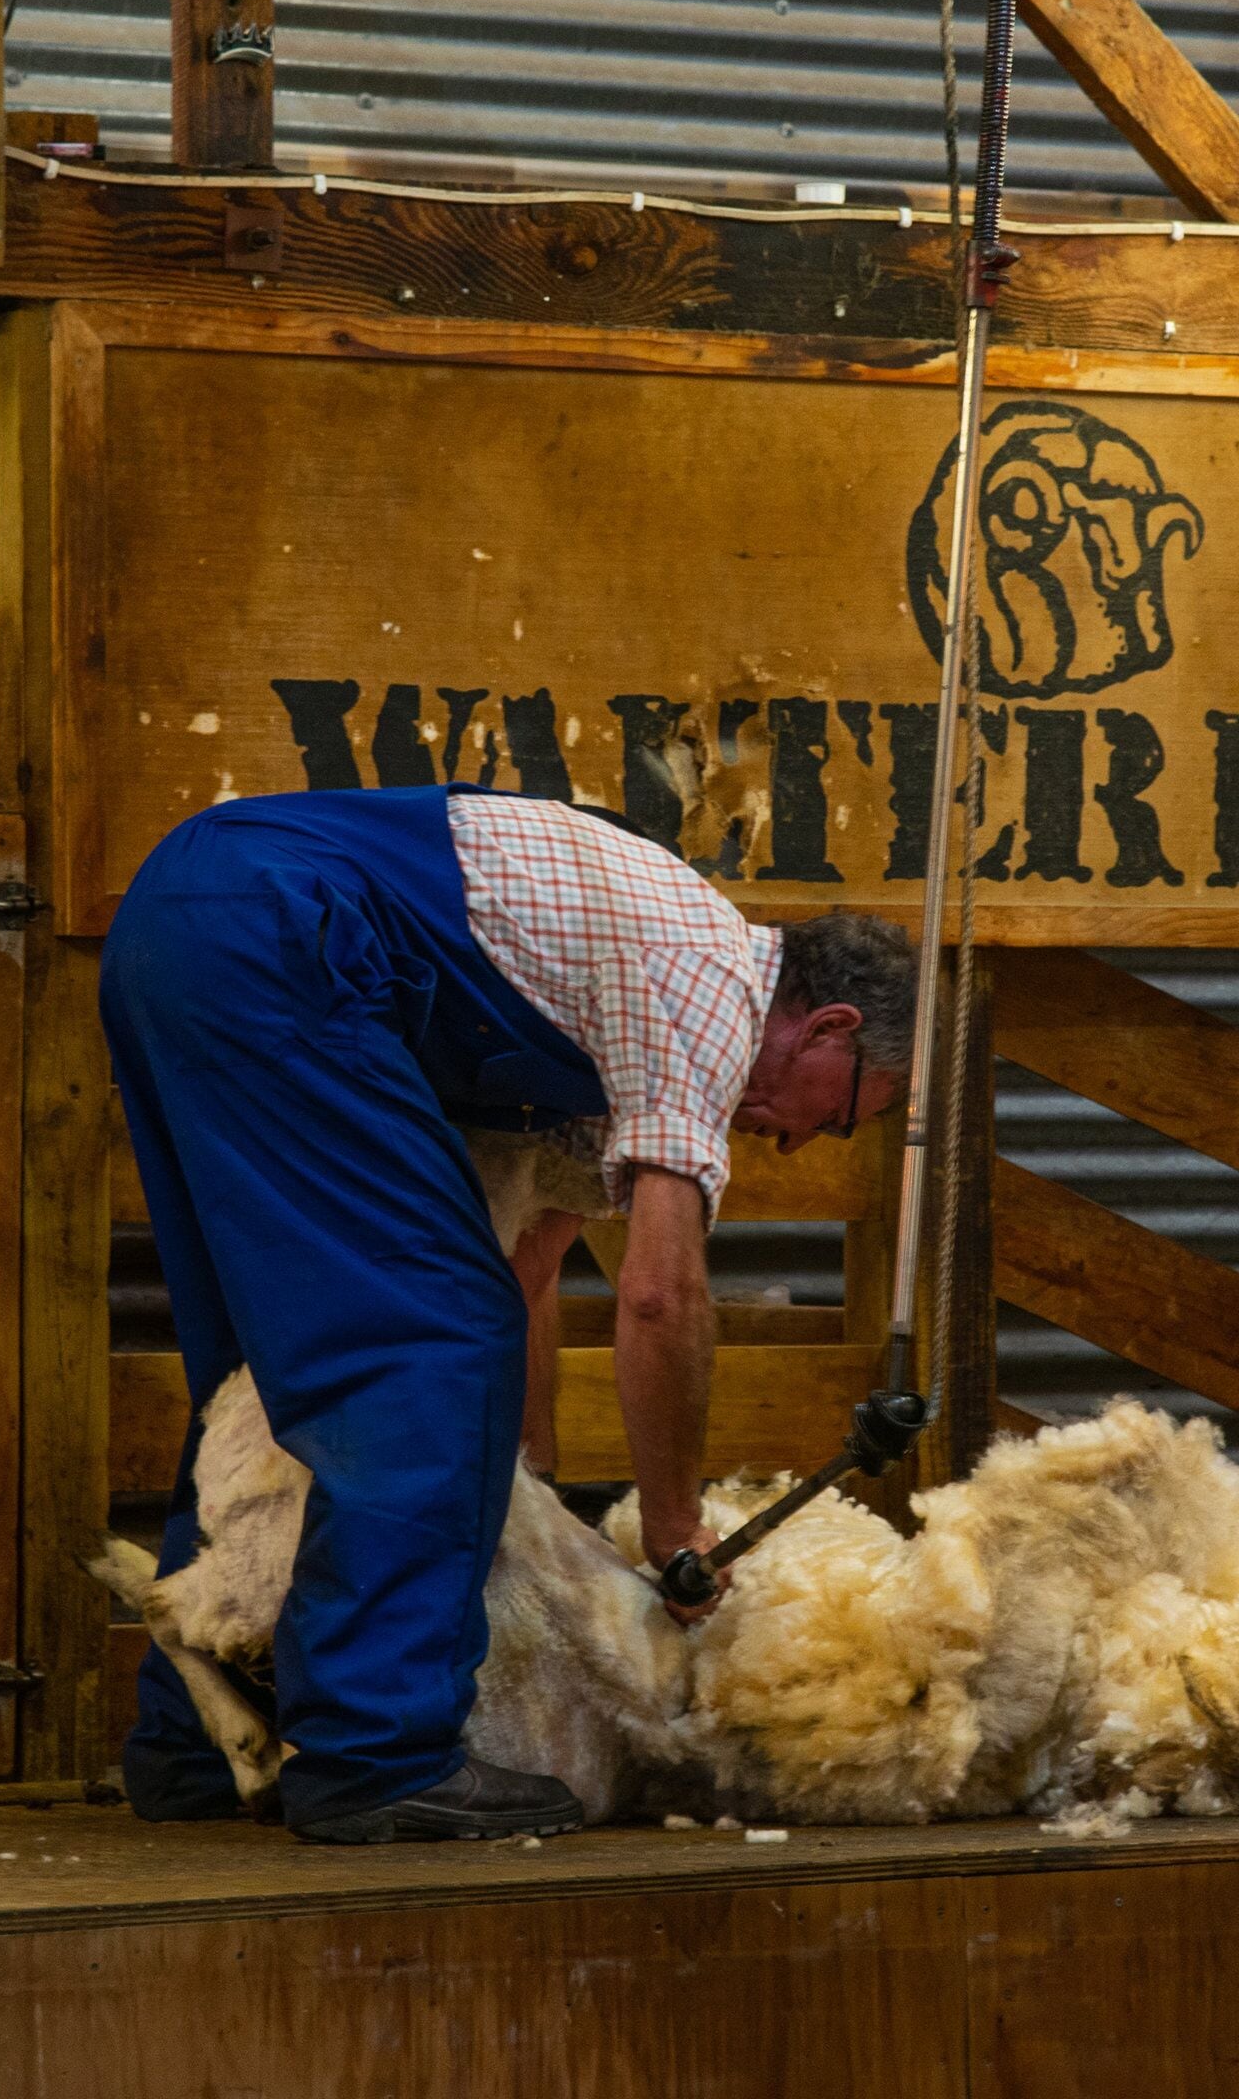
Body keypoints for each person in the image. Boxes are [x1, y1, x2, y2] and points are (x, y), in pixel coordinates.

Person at [101, 783, 917, 1844]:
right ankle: (375, 1758)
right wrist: (673, 1525)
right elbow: (661, 1296)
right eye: (858, 1110)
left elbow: (528, 1272)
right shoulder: (710, 988)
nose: (810, 1144)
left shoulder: (615, 1006)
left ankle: (202, 1744)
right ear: (828, 1029)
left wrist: (513, 1504)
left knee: (258, 1392)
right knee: (423, 1344)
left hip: (182, 917)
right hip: (283, 930)